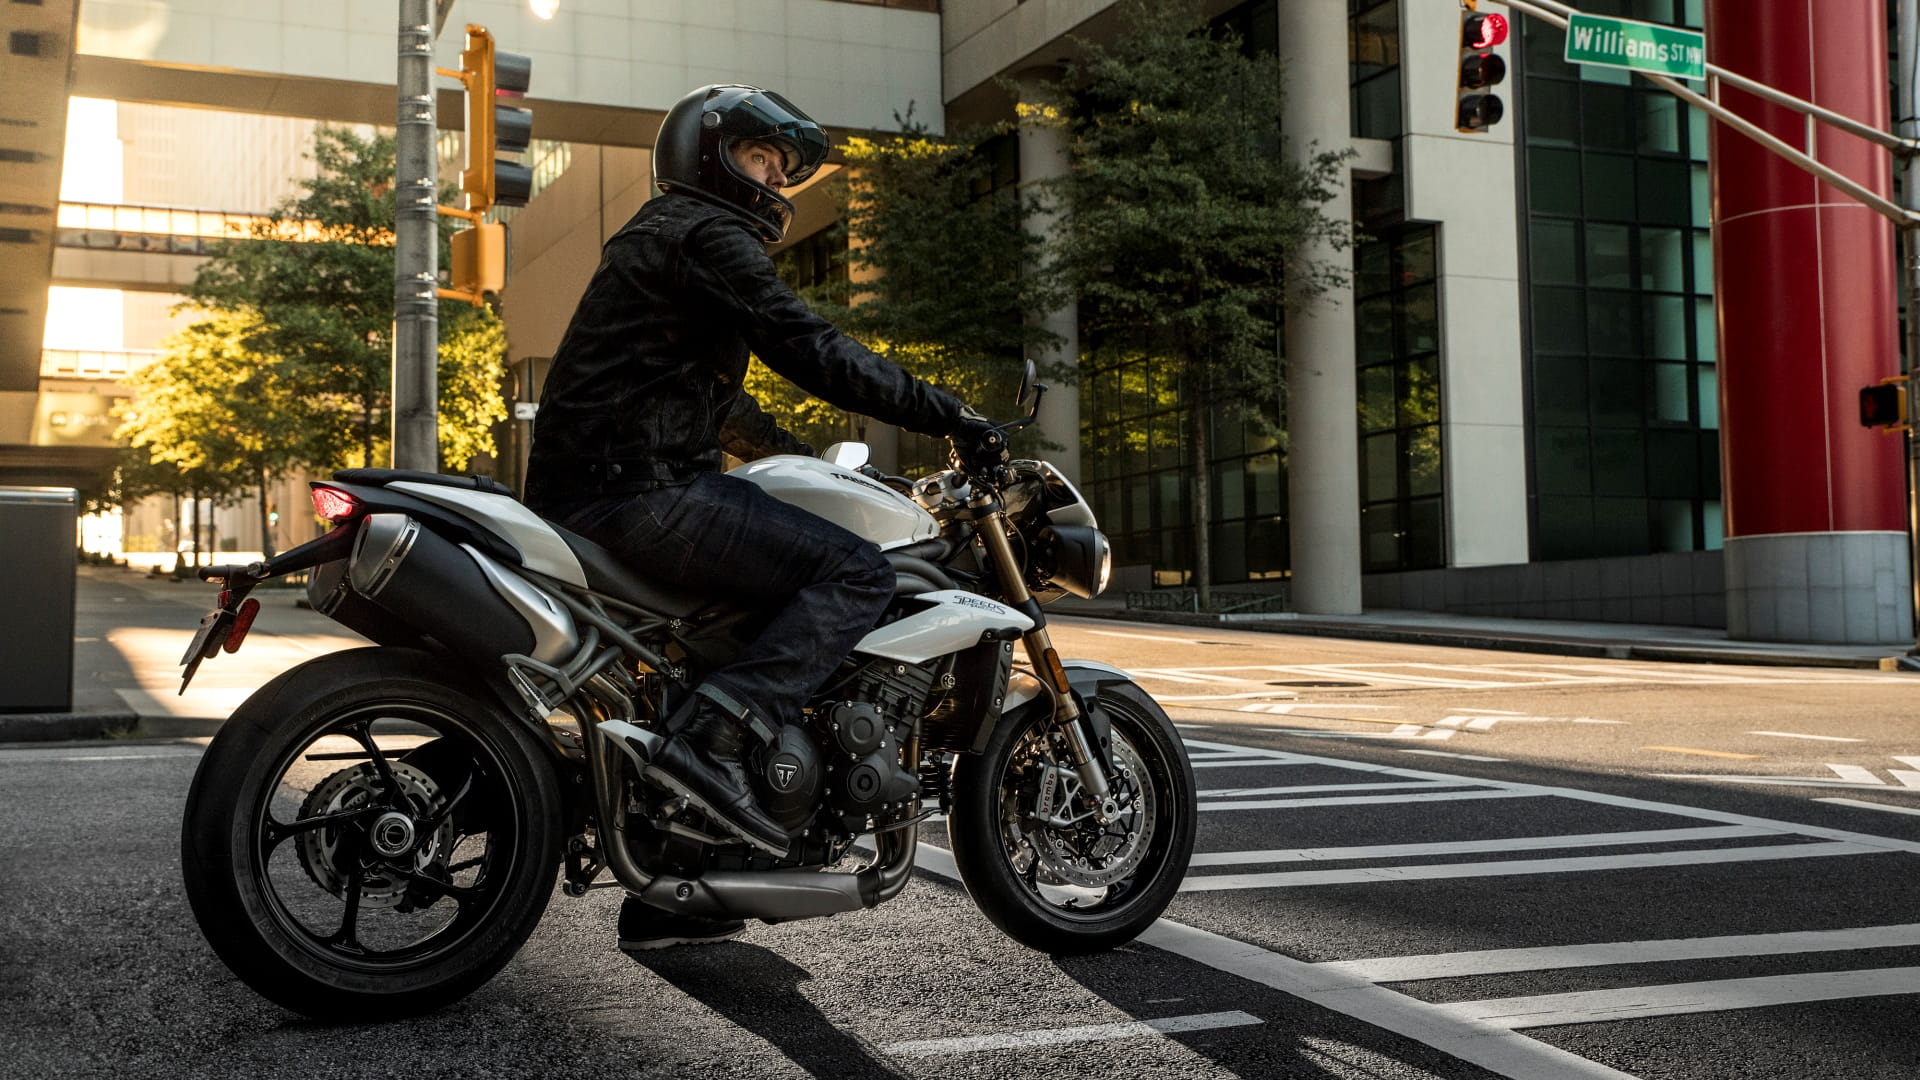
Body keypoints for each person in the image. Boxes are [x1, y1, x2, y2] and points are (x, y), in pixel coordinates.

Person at [522, 85, 1000, 951]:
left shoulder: (662, 240)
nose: (775, 177)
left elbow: (715, 401)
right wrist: (947, 413)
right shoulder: (706, 234)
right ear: (707, 156)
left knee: (757, 601)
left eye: (783, 165)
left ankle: (679, 884)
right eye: (759, 156)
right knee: (857, 571)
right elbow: (806, 343)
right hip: (638, 492)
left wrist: (805, 461)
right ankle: (713, 738)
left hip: (606, 484)